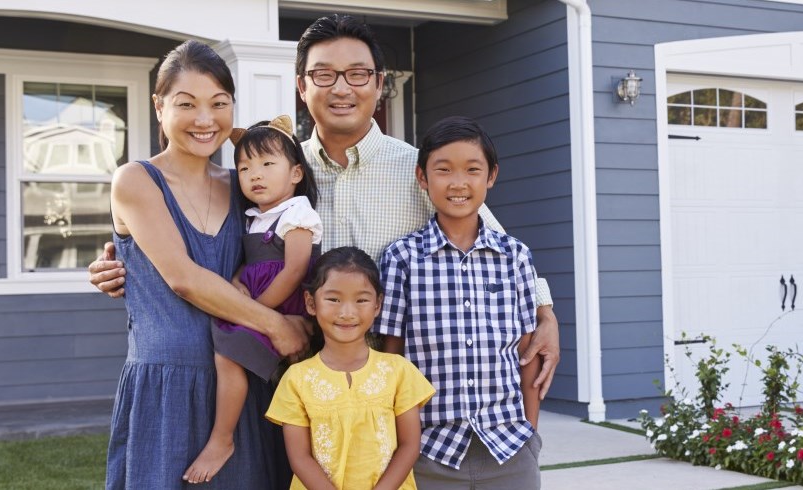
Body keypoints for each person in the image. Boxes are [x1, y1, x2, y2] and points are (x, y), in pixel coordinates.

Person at [89, 15, 563, 399]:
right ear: (301, 86)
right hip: (289, 373)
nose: (341, 88)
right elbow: (203, 235)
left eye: (358, 75)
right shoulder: (271, 171)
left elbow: (492, 244)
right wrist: (123, 261)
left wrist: (545, 313)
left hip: (387, 380)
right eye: (324, 75)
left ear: (379, 86)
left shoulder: (418, 170)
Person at [106, 40, 304, 489]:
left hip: (239, 387)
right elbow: (183, 279)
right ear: (159, 107)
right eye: (186, 104)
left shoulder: (245, 186)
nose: (203, 119)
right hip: (166, 389)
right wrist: (276, 324)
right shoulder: (136, 179)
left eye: (219, 104)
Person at [378, 117, 542, 489]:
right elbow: (392, 359)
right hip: (429, 450)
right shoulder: (402, 258)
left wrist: (530, 436)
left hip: (509, 447)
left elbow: (527, 353)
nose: (458, 183)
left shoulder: (514, 256)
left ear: (491, 176)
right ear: (422, 177)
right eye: (443, 170)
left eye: (472, 170)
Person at [184, 115, 322, 483]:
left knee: (229, 353)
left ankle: (222, 438)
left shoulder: (297, 213)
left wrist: (259, 313)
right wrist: (235, 284)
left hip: (283, 306)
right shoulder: (254, 217)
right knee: (228, 353)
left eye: (266, 164)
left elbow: (294, 270)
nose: (254, 174)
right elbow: (248, 264)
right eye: (244, 167)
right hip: (259, 305)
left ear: (295, 173)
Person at [267, 246, 435, 490]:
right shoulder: (296, 379)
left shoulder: (398, 371)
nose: (347, 313)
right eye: (334, 299)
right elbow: (300, 458)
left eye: (361, 300)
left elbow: (410, 445)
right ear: (311, 303)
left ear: (377, 305)